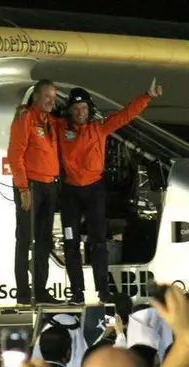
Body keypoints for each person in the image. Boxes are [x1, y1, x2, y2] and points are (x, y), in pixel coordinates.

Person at [57, 78, 163, 305]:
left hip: (94, 190)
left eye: (84, 108)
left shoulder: (100, 127)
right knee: (71, 242)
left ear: (90, 109)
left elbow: (126, 115)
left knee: (99, 242)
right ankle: (77, 293)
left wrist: (147, 96)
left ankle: (103, 291)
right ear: (69, 111)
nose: (80, 112)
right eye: (76, 109)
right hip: (70, 193)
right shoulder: (59, 128)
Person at [8, 79, 63, 306]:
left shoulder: (50, 121)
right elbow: (15, 156)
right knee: (24, 239)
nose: (52, 101)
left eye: (54, 97)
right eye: (47, 96)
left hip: (49, 185)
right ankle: (23, 292)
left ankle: (40, 290)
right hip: (30, 185)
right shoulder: (26, 119)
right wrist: (23, 189)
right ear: (36, 97)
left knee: (43, 241)